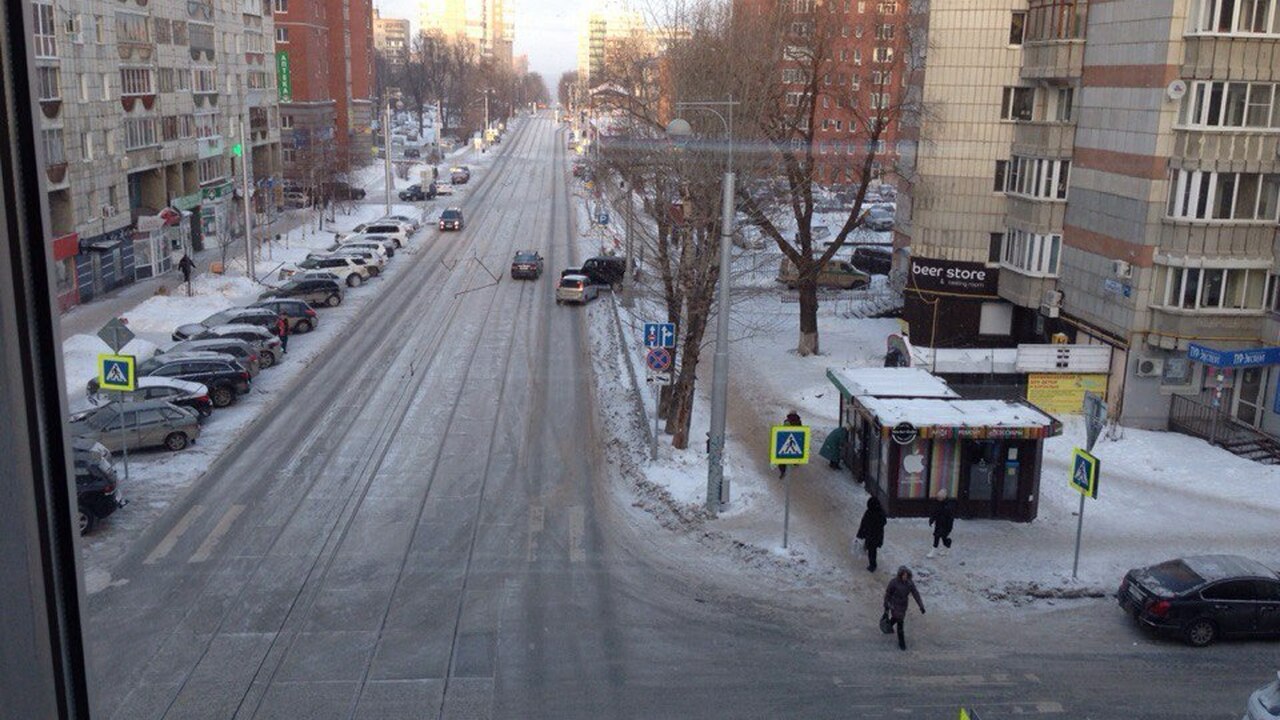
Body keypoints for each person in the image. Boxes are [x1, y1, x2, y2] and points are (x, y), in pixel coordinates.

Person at [883, 566, 925, 650]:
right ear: (900, 575)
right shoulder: (893, 582)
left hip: (903, 605)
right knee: (900, 623)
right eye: (903, 575)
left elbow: (915, 594)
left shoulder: (910, 583)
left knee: (896, 618)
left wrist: (921, 606)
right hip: (894, 604)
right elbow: (888, 594)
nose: (905, 577)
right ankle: (901, 643)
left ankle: (888, 625)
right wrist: (886, 605)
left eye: (906, 575)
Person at [855, 496, 887, 572]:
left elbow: (863, 524)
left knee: (871, 550)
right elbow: (884, 522)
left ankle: (872, 565)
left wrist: (860, 534)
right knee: (872, 550)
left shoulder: (869, 512)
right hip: (876, 535)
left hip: (871, 535)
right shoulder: (880, 512)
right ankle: (872, 564)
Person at [927, 492, 956, 559]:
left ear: (943, 498)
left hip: (945, 525)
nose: (938, 498)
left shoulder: (949, 506)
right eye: (937, 497)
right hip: (938, 524)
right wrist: (931, 520)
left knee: (943, 537)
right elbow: (934, 513)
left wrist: (949, 527)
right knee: (936, 536)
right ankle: (934, 551)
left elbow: (950, 518)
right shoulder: (937, 503)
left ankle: (946, 546)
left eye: (939, 497)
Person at [778, 411, 802, 478]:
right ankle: (795, 461)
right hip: (796, 440)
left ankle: (783, 472)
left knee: (782, 457)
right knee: (795, 451)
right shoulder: (799, 421)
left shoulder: (787, 422)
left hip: (787, 440)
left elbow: (784, 431)